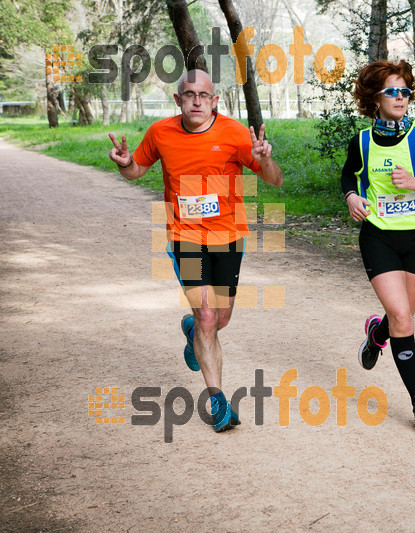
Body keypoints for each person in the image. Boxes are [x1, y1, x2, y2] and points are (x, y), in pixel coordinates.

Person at [108, 69, 283, 433]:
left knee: (221, 320)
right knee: (207, 316)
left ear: (215, 100)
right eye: (189, 95)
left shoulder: (235, 133)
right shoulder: (161, 133)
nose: (197, 101)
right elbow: (138, 170)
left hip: (230, 235)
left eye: (204, 95)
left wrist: (263, 157)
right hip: (185, 235)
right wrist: (126, 163)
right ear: (178, 100)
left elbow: (274, 179)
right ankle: (218, 401)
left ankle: (191, 332)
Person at [341, 60, 415, 429]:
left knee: (399, 319)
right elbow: (349, 173)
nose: (400, 97)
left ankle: (377, 332)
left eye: (405, 91)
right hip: (378, 238)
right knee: (404, 318)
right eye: (392, 91)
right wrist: (350, 196)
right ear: (375, 97)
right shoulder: (361, 141)